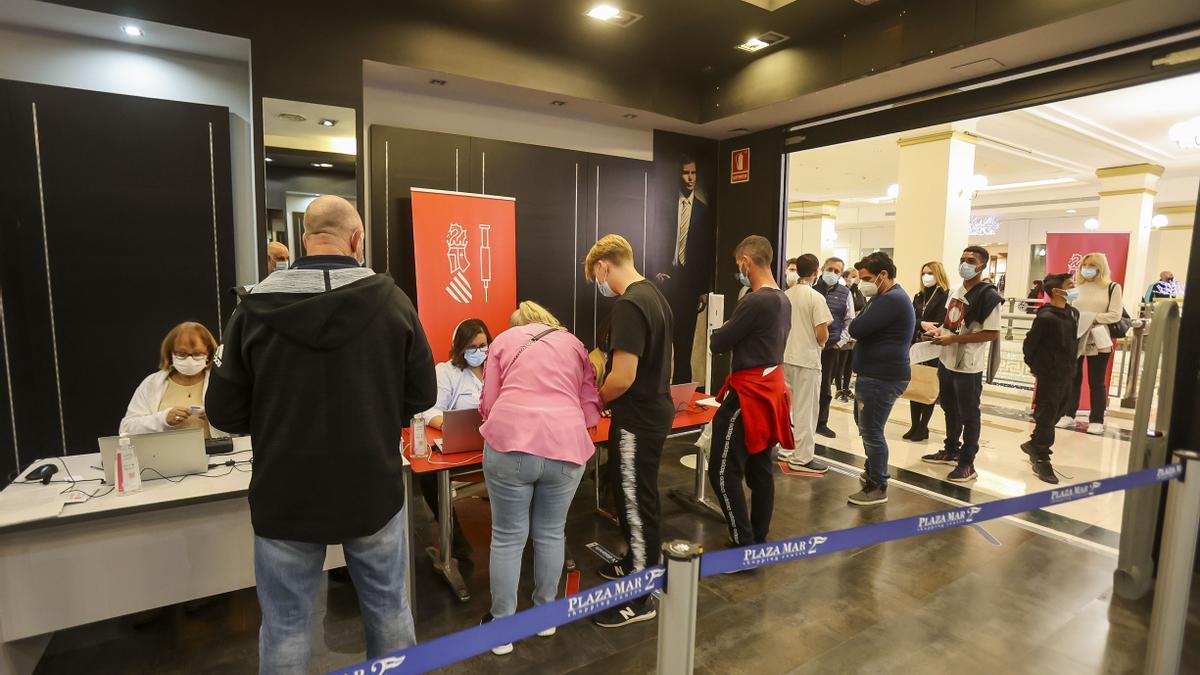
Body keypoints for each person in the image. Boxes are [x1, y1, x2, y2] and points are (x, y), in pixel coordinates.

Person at [206, 195, 436, 673]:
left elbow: (223, 412)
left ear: (304, 241)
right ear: (356, 240)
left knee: (286, 625)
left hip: (285, 492)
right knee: (390, 610)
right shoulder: (393, 301)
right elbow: (421, 395)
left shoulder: (253, 309)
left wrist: (274, 419)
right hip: (371, 487)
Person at [477, 302, 601, 655]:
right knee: (551, 532)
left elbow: (489, 400)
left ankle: (502, 628)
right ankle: (545, 616)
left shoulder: (503, 339)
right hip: (566, 445)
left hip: (510, 442)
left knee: (507, 536)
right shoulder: (574, 343)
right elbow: (589, 403)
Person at [584, 234, 673, 628]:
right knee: (634, 495)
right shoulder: (654, 294)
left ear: (604, 266)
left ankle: (642, 596)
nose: (598, 285)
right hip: (652, 410)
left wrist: (598, 399)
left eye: (595, 277)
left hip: (637, 417)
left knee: (636, 501)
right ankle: (635, 561)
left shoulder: (629, 305)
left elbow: (622, 376)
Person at [709, 235, 793, 545]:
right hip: (769, 391)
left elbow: (718, 342)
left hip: (749, 395)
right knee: (759, 469)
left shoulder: (755, 301)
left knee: (721, 471)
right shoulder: (782, 299)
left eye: (738, 265)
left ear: (746, 261)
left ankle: (743, 543)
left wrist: (726, 327)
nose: (739, 272)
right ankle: (758, 538)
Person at [920, 246, 1003, 482]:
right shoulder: (955, 292)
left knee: (969, 414)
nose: (965, 264)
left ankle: (968, 463)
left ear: (982, 265)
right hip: (947, 360)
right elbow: (950, 323)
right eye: (962, 259)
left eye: (971, 260)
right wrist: (938, 332)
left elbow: (990, 333)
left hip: (968, 364)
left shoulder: (989, 297)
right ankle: (951, 449)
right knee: (949, 406)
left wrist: (955, 339)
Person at [418, 318, 492, 560]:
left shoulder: (496, 370)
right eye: (472, 347)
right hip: (460, 450)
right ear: (460, 348)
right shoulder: (446, 372)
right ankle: (456, 543)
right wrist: (452, 428)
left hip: (495, 446)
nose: (479, 352)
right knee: (430, 478)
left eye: (483, 345)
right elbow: (430, 410)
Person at [846, 252, 913, 506]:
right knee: (866, 425)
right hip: (874, 374)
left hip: (881, 376)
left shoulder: (891, 299)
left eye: (867, 278)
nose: (863, 283)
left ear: (883, 275)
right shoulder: (883, 296)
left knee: (872, 430)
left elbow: (856, 328)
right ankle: (872, 470)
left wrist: (861, 318)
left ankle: (878, 484)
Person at [120, 321, 229, 439]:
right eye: (181, 354)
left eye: (197, 354)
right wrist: (163, 419)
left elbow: (241, 427)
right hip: (163, 454)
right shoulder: (152, 384)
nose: (189, 360)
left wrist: (217, 418)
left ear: (209, 353)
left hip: (216, 454)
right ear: (170, 352)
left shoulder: (220, 383)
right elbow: (126, 429)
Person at [1021, 273, 1079, 485]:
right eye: (1070, 285)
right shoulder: (1045, 317)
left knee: (1059, 409)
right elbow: (1030, 344)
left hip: (1067, 371)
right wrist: (1035, 366)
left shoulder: (1073, 313)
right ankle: (1042, 456)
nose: (1074, 288)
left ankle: (1034, 444)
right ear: (1056, 291)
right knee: (1047, 411)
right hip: (1049, 372)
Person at [780, 253, 831, 473]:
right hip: (807, 360)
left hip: (785, 358)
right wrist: (823, 342)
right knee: (806, 410)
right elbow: (822, 332)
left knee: (785, 407)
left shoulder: (785, 295)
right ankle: (802, 458)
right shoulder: (815, 297)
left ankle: (784, 448)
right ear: (816, 272)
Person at [1061, 252, 1123, 435]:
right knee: (1073, 378)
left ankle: (1097, 419)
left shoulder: (1112, 287)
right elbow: (1067, 310)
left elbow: (1115, 314)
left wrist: (1091, 318)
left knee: (1097, 381)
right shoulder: (1075, 288)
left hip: (1099, 338)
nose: (1088, 269)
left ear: (1101, 267)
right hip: (1076, 336)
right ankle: (1068, 413)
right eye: (1085, 265)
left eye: (1092, 265)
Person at [903, 262, 949, 442]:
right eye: (924, 273)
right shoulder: (918, 295)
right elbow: (911, 318)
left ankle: (923, 427)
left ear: (938, 275)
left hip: (933, 346)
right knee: (916, 383)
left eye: (930, 273)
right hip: (917, 345)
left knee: (928, 383)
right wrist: (921, 324)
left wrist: (928, 327)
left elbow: (942, 321)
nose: (926, 276)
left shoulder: (945, 296)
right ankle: (914, 425)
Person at [812, 257, 855, 438]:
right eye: (830, 269)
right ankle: (805, 420)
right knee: (808, 386)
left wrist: (840, 342)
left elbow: (849, 320)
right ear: (822, 269)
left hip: (831, 348)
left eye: (837, 271)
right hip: (811, 347)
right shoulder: (812, 290)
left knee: (825, 387)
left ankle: (821, 422)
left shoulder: (845, 293)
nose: (833, 273)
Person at [834, 268, 865, 401]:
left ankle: (846, 388)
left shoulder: (859, 292)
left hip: (855, 334)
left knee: (849, 364)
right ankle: (839, 389)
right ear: (846, 278)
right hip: (845, 331)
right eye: (853, 276)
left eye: (857, 277)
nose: (856, 279)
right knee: (841, 362)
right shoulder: (843, 292)